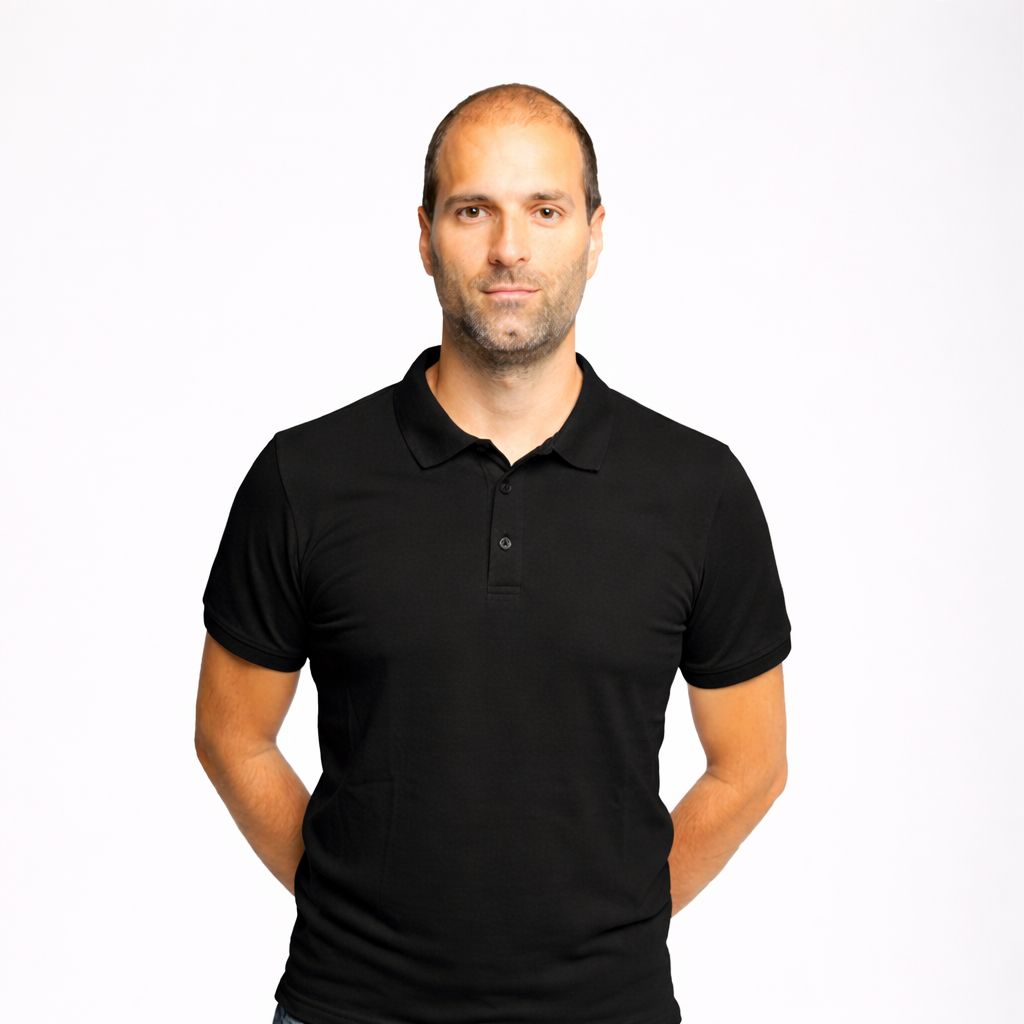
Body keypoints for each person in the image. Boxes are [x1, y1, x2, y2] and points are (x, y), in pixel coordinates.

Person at [195, 83, 791, 1024]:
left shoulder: (698, 488)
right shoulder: (305, 476)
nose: (510, 248)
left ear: (595, 234)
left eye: (545, 210)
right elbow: (231, 735)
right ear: (425, 235)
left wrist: (614, 928)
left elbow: (751, 764)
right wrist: (352, 916)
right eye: (474, 211)